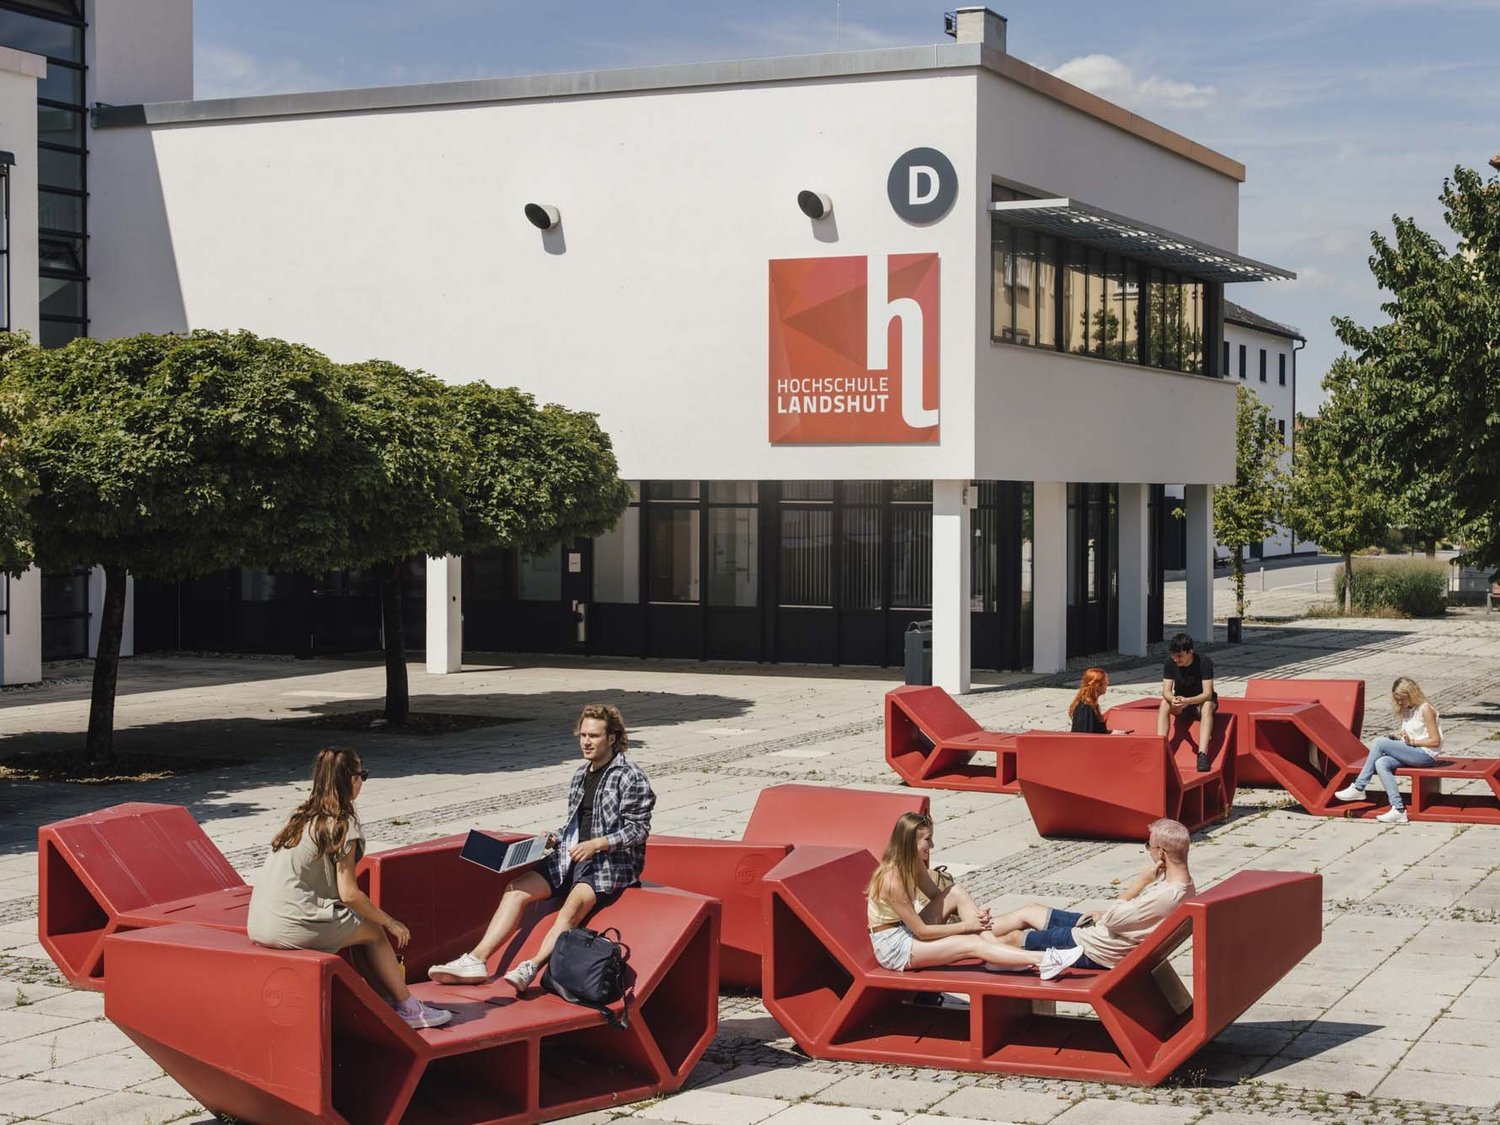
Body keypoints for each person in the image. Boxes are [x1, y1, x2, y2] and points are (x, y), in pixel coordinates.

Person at [429, 704, 655, 991]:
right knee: (516, 889)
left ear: (612, 738)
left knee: (572, 908)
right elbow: (579, 823)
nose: (586, 742)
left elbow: (638, 829)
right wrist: (556, 837)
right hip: (570, 854)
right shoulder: (580, 775)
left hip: (609, 863)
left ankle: (530, 967)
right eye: (583, 735)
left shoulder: (629, 775)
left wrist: (597, 844)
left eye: (594, 736)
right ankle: (476, 959)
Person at [248, 747, 451, 1029]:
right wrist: (392, 923)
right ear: (350, 780)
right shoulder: (342, 824)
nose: (363, 782)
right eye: (362, 775)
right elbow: (349, 893)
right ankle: (408, 1007)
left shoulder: (300, 817)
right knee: (375, 932)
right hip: (292, 923)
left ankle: (382, 1000)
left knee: (359, 928)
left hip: (259, 922)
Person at [866, 812, 1077, 980]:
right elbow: (922, 932)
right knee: (971, 943)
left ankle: (995, 956)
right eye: (927, 840)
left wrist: (974, 917)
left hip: (908, 930)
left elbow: (942, 899)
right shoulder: (891, 880)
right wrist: (968, 927)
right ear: (910, 842)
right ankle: (1045, 960)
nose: (932, 846)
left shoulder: (914, 864)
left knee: (956, 891)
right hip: (894, 947)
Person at [990, 818, 1195, 974]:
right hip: (1103, 932)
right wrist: (1104, 915)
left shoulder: (1167, 895)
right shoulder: (1183, 886)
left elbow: (1117, 918)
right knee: (1029, 911)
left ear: (1161, 853)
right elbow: (1133, 918)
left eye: (1149, 845)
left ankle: (969, 946)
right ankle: (969, 932)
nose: (1148, 850)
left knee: (1014, 938)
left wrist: (1140, 882)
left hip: (1094, 948)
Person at [1333, 676, 1444, 824]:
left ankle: (1359, 787)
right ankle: (1398, 809)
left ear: (1412, 695)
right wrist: (1399, 736)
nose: (1400, 702)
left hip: (1425, 754)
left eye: (1402, 699)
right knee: (1381, 763)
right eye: (1397, 699)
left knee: (1379, 742)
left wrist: (1413, 742)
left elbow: (1435, 741)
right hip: (1412, 751)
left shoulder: (1425, 709)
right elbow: (1411, 733)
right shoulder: (1407, 710)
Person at [1158, 633, 1216, 772]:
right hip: (1182, 702)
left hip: (1200, 702)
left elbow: (1207, 694)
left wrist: (1188, 701)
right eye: (1174, 655)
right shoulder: (1170, 663)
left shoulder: (1204, 662)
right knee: (1164, 703)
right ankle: (1160, 747)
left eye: (1179, 656)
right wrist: (1173, 699)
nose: (1176, 659)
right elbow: (1166, 691)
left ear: (1190, 652)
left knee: (1207, 706)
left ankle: (1202, 754)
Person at [1069, 667, 1122, 735]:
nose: (1107, 683)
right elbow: (1087, 735)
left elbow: (1095, 730)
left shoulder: (1088, 704)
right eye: (1105, 682)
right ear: (1097, 686)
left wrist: (1112, 732)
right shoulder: (1086, 708)